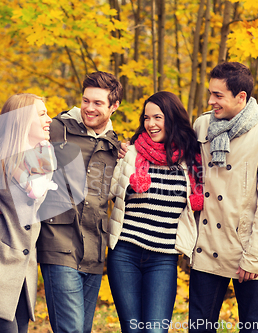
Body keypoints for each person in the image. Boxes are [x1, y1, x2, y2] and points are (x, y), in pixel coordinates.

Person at [188, 62, 258, 333]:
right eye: (211, 94)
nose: (211, 101)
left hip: (246, 249)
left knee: (252, 329)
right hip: (207, 247)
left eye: (218, 95)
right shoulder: (202, 125)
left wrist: (254, 256)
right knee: (199, 328)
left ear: (241, 97)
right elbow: (176, 156)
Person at [106, 91, 204, 333]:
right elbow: (106, 191)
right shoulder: (130, 153)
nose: (150, 124)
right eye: (147, 118)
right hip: (125, 253)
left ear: (171, 118)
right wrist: (111, 151)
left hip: (163, 258)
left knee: (155, 330)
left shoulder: (190, 160)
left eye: (157, 117)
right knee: (132, 329)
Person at [36, 71, 123, 333]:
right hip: (58, 242)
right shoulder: (57, 129)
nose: (89, 108)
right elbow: (9, 151)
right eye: (86, 101)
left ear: (114, 106)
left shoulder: (113, 145)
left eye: (98, 103)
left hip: (94, 249)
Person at [0, 94, 56, 333]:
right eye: (42, 113)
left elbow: (37, 194)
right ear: (23, 119)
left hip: (25, 265)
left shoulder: (44, 155)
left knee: (21, 329)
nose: (49, 119)